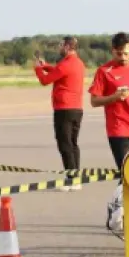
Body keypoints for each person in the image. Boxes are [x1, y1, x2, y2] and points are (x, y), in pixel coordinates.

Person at [89, 32, 129, 234]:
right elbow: (94, 100)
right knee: (128, 171)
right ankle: (119, 213)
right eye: (119, 54)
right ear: (113, 51)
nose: (123, 57)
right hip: (118, 129)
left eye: (126, 53)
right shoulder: (104, 71)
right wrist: (115, 97)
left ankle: (126, 213)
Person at [34, 36, 86, 191]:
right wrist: (47, 66)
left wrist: (38, 69)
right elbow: (58, 72)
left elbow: (45, 80)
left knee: (65, 144)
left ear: (67, 47)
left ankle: (71, 179)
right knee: (73, 144)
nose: (59, 48)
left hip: (64, 109)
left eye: (61, 45)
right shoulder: (77, 63)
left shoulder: (66, 64)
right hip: (76, 108)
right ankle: (76, 177)